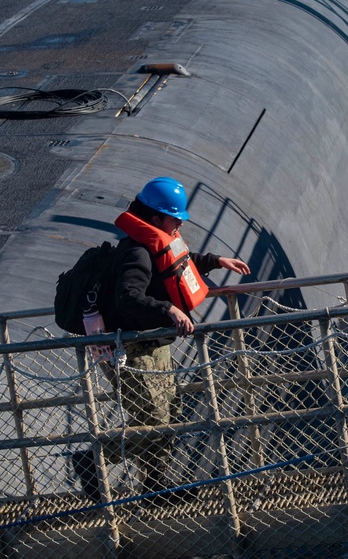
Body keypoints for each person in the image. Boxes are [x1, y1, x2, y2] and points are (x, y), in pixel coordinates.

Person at [72, 177, 251, 504]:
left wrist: (215, 261)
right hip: (129, 350)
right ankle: (92, 460)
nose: (180, 222)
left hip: (155, 344)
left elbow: (176, 263)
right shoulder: (136, 253)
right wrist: (167, 308)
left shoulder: (157, 241)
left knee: (169, 412)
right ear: (155, 218)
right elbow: (127, 297)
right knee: (152, 419)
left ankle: (155, 489)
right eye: (175, 218)